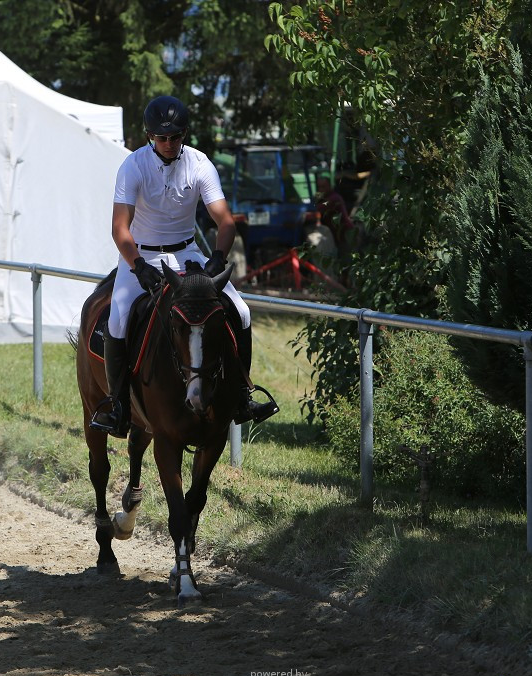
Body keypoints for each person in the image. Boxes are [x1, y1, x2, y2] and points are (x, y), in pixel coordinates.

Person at [90, 95, 279, 438]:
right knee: (117, 318)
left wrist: (219, 257)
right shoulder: (133, 166)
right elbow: (120, 228)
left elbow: (224, 221)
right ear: (150, 136)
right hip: (141, 255)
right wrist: (137, 266)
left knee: (242, 309)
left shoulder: (200, 164)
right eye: (161, 138)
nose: (167, 144)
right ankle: (118, 406)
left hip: (188, 251)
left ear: (184, 134)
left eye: (174, 137)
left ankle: (241, 396)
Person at [314, 175, 353, 256]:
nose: (321, 190)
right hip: (338, 236)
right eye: (319, 187)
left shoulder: (334, 198)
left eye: (323, 187)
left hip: (345, 235)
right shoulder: (325, 198)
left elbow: (318, 208)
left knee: (347, 259)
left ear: (330, 186)